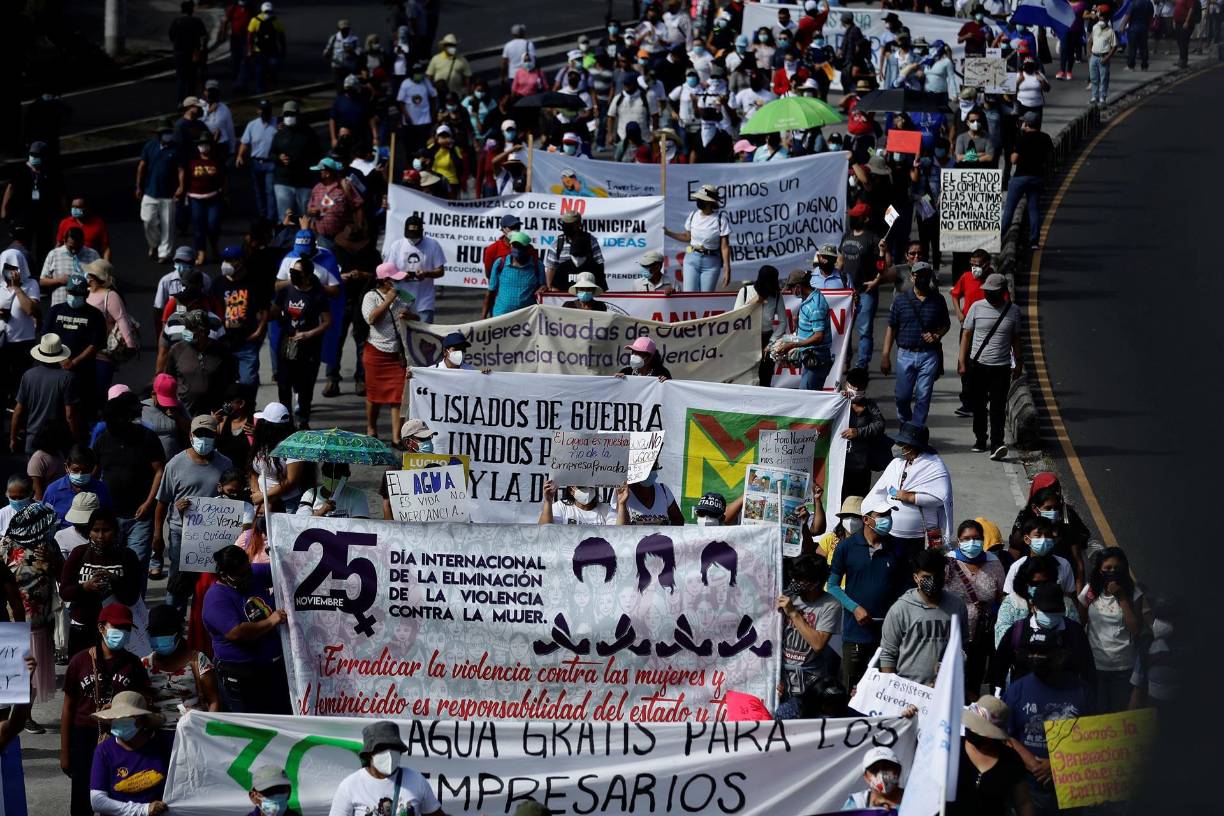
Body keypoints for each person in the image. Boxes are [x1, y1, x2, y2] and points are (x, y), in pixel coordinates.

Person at [61, 602, 150, 816]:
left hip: (121, 737)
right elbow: (68, 708)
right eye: (117, 627)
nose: (122, 633)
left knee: (118, 797)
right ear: (102, 628)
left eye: (127, 629)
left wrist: (124, 706)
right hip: (85, 736)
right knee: (83, 799)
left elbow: (145, 702)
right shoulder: (80, 661)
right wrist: (65, 752)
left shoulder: (134, 664)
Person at [1003, 631, 1094, 814]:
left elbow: (1094, 737)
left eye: (1042, 652)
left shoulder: (1082, 691)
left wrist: (1057, 765)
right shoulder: (1015, 691)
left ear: (1061, 656)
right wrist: (1032, 763)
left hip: (1071, 787)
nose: (1035, 657)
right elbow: (1003, 735)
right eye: (1032, 652)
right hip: (1029, 790)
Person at [153, 416, 235, 608]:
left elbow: (233, 497)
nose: (204, 438)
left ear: (216, 436)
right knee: (178, 582)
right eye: (200, 434)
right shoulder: (175, 464)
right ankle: (172, 624)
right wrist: (157, 534)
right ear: (191, 435)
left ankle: (204, 623)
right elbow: (162, 501)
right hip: (181, 534)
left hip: (214, 536)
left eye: (208, 434)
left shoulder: (226, 464)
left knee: (210, 583)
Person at [826, 497, 906, 691]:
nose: (887, 519)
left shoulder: (897, 548)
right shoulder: (846, 547)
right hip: (855, 633)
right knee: (851, 690)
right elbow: (833, 586)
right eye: (882, 515)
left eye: (889, 515)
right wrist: (855, 608)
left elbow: (905, 588)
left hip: (888, 635)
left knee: (883, 690)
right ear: (866, 519)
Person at [203, 544, 290, 713]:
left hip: (271, 669)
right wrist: (271, 621)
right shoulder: (216, 598)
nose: (247, 577)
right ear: (225, 575)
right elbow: (236, 632)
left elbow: (283, 570)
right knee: (249, 726)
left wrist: (279, 551)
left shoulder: (253, 574)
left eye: (248, 570)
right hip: (241, 676)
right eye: (241, 574)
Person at [93, 392, 165, 578]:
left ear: (125, 418)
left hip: (139, 518)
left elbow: (159, 471)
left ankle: (136, 605)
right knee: (111, 567)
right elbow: (94, 473)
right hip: (111, 516)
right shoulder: (103, 440)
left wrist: (148, 503)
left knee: (136, 565)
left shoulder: (147, 438)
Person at [2, 503, 60, 731]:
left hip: (40, 619)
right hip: (14, 621)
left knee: (34, 674)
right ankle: (11, 719)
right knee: (13, 675)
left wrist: (53, 560)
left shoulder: (49, 545)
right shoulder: (6, 545)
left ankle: (24, 715)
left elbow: (63, 574)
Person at [878, 548, 969, 685]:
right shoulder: (900, 609)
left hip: (945, 689)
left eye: (936, 576)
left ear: (944, 575)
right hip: (908, 690)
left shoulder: (957, 606)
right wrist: (890, 690)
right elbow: (887, 654)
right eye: (926, 577)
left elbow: (963, 645)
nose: (932, 581)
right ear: (916, 578)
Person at [864, 422, 953, 556]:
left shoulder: (933, 465)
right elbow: (879, 491)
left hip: (921, 539)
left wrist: (911, 497)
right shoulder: (896, 463)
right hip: (891, 535)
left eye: (902, 444)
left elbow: (941, 497)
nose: (898, 447)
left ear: (913, 446)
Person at [958, 273, 1021, 460]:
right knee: (978, 406)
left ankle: (996, 443)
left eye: (993, 292)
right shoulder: (976, 308)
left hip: (1000, 368)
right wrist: (962, 362)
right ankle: (980, 439)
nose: (988, 294)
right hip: (978, 366)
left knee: (998, 407)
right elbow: (966, 335)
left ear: (1003, 292)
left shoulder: (1014, 311)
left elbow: (1016, 340)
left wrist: (1018, 363)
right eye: (987, 291)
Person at [992, 582, 1096, 692]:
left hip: (1064, 698)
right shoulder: (1019, 631)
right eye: (1046, 611)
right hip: (1025, 697)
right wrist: (999, 691)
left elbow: (1087, 668)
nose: (1050, 616)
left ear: (1063, 609)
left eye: (1055, 610)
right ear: (1034, 607)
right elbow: (1000, 664)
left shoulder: (1074, 631)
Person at [880, 262, 949, 426]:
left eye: (926, 275)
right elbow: (892, 328)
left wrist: (936, 335)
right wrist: (885, 356)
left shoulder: (938, 300)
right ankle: (905, 423)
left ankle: (915, 431)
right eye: (919, 275)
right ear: (912, 277)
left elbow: (946, 324)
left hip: (929, 355)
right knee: (902, 396)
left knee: (923, 396)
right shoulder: (901, 301)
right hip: (905, 355)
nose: (922, 279)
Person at [329, 720, 444, 816]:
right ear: (369, 754)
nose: (389, 753)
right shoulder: (349, 786)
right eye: (382, 748)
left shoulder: (417, 780)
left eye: (394, 747)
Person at [946, 519, 1006, 699]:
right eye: (967, 538)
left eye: (977, 538)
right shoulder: (948, 561)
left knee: (973, 683)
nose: (972, 542)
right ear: (959, 541)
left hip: (981, 636)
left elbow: (1002, 597)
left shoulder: (994, 562)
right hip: (951, 634)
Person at [1078, 547, 1143, 712]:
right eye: (1107, 568)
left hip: (1123, 667)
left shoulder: (1133, 593)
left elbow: (1135, 628)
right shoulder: (1090, 591)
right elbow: (1081, 621)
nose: (1112, 571)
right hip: (1096, 665)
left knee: (1119, 712)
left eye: (1117, 568)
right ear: (1099, 569)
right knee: (1099, 712)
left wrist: (1121, 597)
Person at [88, 690, 173, 816]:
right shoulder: (104, 750)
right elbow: (97, 801)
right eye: (115, 716)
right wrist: (143, 810)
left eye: (124, 717)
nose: (117, 720)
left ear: (141, 721)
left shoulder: (164, 745)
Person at [777, 553, 841, 715]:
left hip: (810, 681)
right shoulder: (788, 596)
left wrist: (793, 613)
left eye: (799, 580)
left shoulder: (830, 605)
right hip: (782, 678)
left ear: (814, 583)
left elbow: (818, 644)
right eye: (794, 578)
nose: (794, 583)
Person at [271, 258, 332, 426]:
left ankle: (303, 420)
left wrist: (309, 334)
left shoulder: (317, 295)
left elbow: (327, 322)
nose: (293, 275)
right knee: (283, 385)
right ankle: (286, 421)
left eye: (297, 273)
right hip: (287, 344)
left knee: (305, 386)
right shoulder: (286, 291)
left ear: (307, 275)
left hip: (308, 348)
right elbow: (275, 310)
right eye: (292, 272)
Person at [950, 695, 1034, 816]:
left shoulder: (1011, 759)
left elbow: (1023, 802)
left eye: (980, 728)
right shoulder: (951, 748)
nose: (973, 730)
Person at [142, 602, 219, 726]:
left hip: (193, 732)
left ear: (178, 633)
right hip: (158, 734)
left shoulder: (198, 661)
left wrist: (207, 731)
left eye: (164, 633)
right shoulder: (145, 664)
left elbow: (213, 701)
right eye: (155, 634)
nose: (159, 637)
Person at [363, 262, 412, 444]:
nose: (398, 283)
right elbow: (372, 319)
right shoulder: (370, 297)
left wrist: (410, 316)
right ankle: (371, 428)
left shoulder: (403, 297)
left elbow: (416, 317)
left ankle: (396, 437)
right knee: (374, 396)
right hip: (376, 352)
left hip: (396, 354)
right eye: (394, 279)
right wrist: (389, 299)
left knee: (398, 396)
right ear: (384, 281)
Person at [11, 334, 80, 456]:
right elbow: (70, 415)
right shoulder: (68, 378)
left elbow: (18, 410)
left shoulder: (28, 375)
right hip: (58, 442)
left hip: (33, 440)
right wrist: (75, 441)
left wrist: (13, 438)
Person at [773, 269, 832, 391]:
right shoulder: (808, 299)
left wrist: (792, 345)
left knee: (807, 398)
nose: (790, 292)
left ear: (798, 287)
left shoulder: (816, 305)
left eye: (791, 288)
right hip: (810, 358)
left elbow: (818, 336)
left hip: (817, 359)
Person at [1001, 113, 1053, 251]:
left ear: (1027, 124)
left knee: (1009, 211)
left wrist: (1013, 150)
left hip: (1020, 178)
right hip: (1037, 177)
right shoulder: (1045, 138)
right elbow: (1049, 158)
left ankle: (998, 238)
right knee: (1034, 209)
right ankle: (1034, 241)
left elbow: (1013, 160)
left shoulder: (1022, 139)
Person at [664, 184, 730, 292]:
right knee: (689, 295)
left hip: (712, 262)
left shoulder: (721, 220)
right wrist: (668, 233)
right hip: (691, 259)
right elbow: (687, 237)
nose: (698, 201)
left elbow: (725, 247)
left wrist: (727, 270)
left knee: (705, 298)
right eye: (698, 199)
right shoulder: (693, 215)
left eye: (701, 199)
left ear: (710, 202)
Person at [382, 215, 445, 324]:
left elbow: (440, 271)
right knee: (400, 337)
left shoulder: (433, 245)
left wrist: (426, 274)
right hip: (401, 301)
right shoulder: (397, 246)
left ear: (422, 231)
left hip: (424, 302)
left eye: (415, 235)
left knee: (425, 336)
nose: (412, 238)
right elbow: (387, 273)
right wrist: (401, 275)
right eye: (410, 235)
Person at [248, 401, 307, 512]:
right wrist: (256, 493)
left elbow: (291, 480)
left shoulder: (294, 446)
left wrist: (264, 496)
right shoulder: (261, 441)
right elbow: (254, 471)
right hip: (261, 501)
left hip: (287, 503)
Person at [840, 369, 890, 499]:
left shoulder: (870, 406)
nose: (856, 390)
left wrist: (858, 432)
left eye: (860, 388)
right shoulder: (839, 401)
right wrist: (838, 399)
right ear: (846, 384)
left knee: (859, 499)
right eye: (853, 387)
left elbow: (880, 424)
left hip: (862, 464)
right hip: (841, 464)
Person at [733, 264, 784, 386]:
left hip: (767, 339)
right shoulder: (745, 291)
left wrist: (771, 343)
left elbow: (783, 322)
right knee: (747, 378)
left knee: (766, 376)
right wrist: (755, 302)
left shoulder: (776, 295)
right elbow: (736, 318)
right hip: (747, 339)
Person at [271, 101, 322, 218]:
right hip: (283, 183)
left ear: (298, 114)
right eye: (286, 114)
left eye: (292, 114)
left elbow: (318, 154)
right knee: (285, 218)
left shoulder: (309, 134)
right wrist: (279, 158)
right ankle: (285, 236)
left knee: (306, 217)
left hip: (304, 182)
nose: (289, 117)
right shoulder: (279, 135)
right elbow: (272, 154)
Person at [44, 445, 113, 526]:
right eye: (76, 470)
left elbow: (109, 517)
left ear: (92, 468)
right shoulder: (53, 490)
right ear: (66, 467)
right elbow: (45, 520)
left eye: (85, 470)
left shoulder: (101, 489)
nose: (80, 474)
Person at [483, 231, 544, 318]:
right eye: (515, 246)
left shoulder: (537, 265)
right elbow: (490, 292)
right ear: (511, 246)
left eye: (520, 247)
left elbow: (543, 286)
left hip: (527, 318)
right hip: (501, 317)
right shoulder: (500, 263)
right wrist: (483, 318)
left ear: (528, 248)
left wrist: (543, 288)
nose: (517, 249)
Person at [237, 101, 280, 223]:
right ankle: (262, 214)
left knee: (270, 190)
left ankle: (270, 218)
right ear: (258, 111)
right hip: (256, 162)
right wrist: (239, 155)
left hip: (271, 162)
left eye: (267, 110)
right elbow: (245, 142)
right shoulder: (252, 125)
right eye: (263, 110)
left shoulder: (277, 123)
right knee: (258, 191)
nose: (265, 113)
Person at [544, 211, 607, 293]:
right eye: (564, 224)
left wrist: (600, 284)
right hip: (563, 291)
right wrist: (550, 289)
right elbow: (551, 267)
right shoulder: (558, 243)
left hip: (586, 289)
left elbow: (599, 264)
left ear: (578, 224)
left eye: (569, 224)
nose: (566, 226)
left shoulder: (590, 241)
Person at [39, 226, 100, 307]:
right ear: (64, 241)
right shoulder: (54, 254)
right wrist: (59, 281)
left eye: (77, 247)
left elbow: (101, 281)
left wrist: (87, 281)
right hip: (59, 305)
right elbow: (42, 281)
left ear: (83, 242)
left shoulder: (93, 254)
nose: (74, 250)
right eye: (71, 247)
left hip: (86, 306)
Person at [842, 746, 905, 810]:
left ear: (898, 770)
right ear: (866, 777)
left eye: (886, 767)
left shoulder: (912, 797)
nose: (881, 774)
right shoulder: (857, 802)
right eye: (874, 770)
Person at [297, 462, 369, 519]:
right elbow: (301, 523)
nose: (333, 479)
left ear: (347, 477)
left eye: (338, 477)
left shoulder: (357, 495)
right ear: (323, 474)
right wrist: (321, 512)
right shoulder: (310, 494)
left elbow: (361, 526)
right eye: (329, 475)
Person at [614, 471, 684, 526]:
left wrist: (665, 529)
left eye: (655, 466)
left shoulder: (663, 490)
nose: (652, 470)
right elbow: (619, 531)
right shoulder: (622, 493)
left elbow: (679, 520)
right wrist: (622, 504)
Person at [247, 1, 286, 92]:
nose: (268, 14)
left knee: (274, 65)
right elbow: (250, 36)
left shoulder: (275, 21)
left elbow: (281, 35)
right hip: (259, 50)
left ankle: (272, 84)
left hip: (272, 49)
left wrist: (283, 48)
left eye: (269, 12)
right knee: (260, 69)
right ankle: (260, 89)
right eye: (266, 12)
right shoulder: (255, 20)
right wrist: (250, 49)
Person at [56, 197, 110, 261]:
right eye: (73, 207)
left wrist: (106, 266)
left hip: (91, 262)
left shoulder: (99, 223)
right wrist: (55, 259)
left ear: (86, 208)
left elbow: (105, 248)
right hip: (68, 262)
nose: (75, 209)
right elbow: (59, 244)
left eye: (78, 207)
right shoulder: (65, 223)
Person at [539, 480, 614, 525]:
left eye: (590, 486)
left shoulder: (606, 510)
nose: (587, 490)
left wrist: (621, 504)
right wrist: (548, 502)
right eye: (581, 487)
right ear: (571, 490)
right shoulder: (560, 507)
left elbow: (620, 535)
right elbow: (544, 532)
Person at [1088, 7, 1118, 105]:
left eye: (1103, 17)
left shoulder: (1110, 32)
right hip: (1094, 57)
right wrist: (1089, 54)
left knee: (1104, 79)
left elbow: (1114, 46)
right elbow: (1090, 41)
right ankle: (1094, 96)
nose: (1101, 19)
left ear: (1107, 19)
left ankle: (1102, 98)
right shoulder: (1095, 28)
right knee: (1094, 78)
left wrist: (1107, 57)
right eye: (1100, 17)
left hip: (1103, 57)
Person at [1126, 0, 1155, 69]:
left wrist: (1122, 25)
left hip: (1133, 28)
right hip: (1144, 27)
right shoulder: (1149, 3)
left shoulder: (1134, 3)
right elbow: (1152, 14)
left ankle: (1131, 65)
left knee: (1132, 48)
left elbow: (1128, 15)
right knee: (1144, 47)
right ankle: (1144, 65)